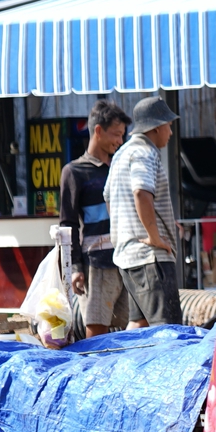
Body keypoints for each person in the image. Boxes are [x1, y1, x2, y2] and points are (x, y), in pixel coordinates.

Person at [106, 96, 183, 327]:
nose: (170, 132)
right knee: (167, 330)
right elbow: (141, 192)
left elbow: (108, 198)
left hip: (127, 258)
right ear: (157, 127)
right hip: (150, 258)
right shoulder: (144, 152)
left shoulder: (121, 154)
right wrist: (154, 237)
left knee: (138, 325)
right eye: (169, 126)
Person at [58, 100, 131, 335]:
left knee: (133, 325)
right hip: (96, 264)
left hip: (127, 260)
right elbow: (68, 224)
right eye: (116, 135)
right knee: (97, 327)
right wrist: (76, 267)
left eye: (122, 136)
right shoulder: (74, 171)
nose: (120, 141)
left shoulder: (120, 166)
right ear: (98, 131)